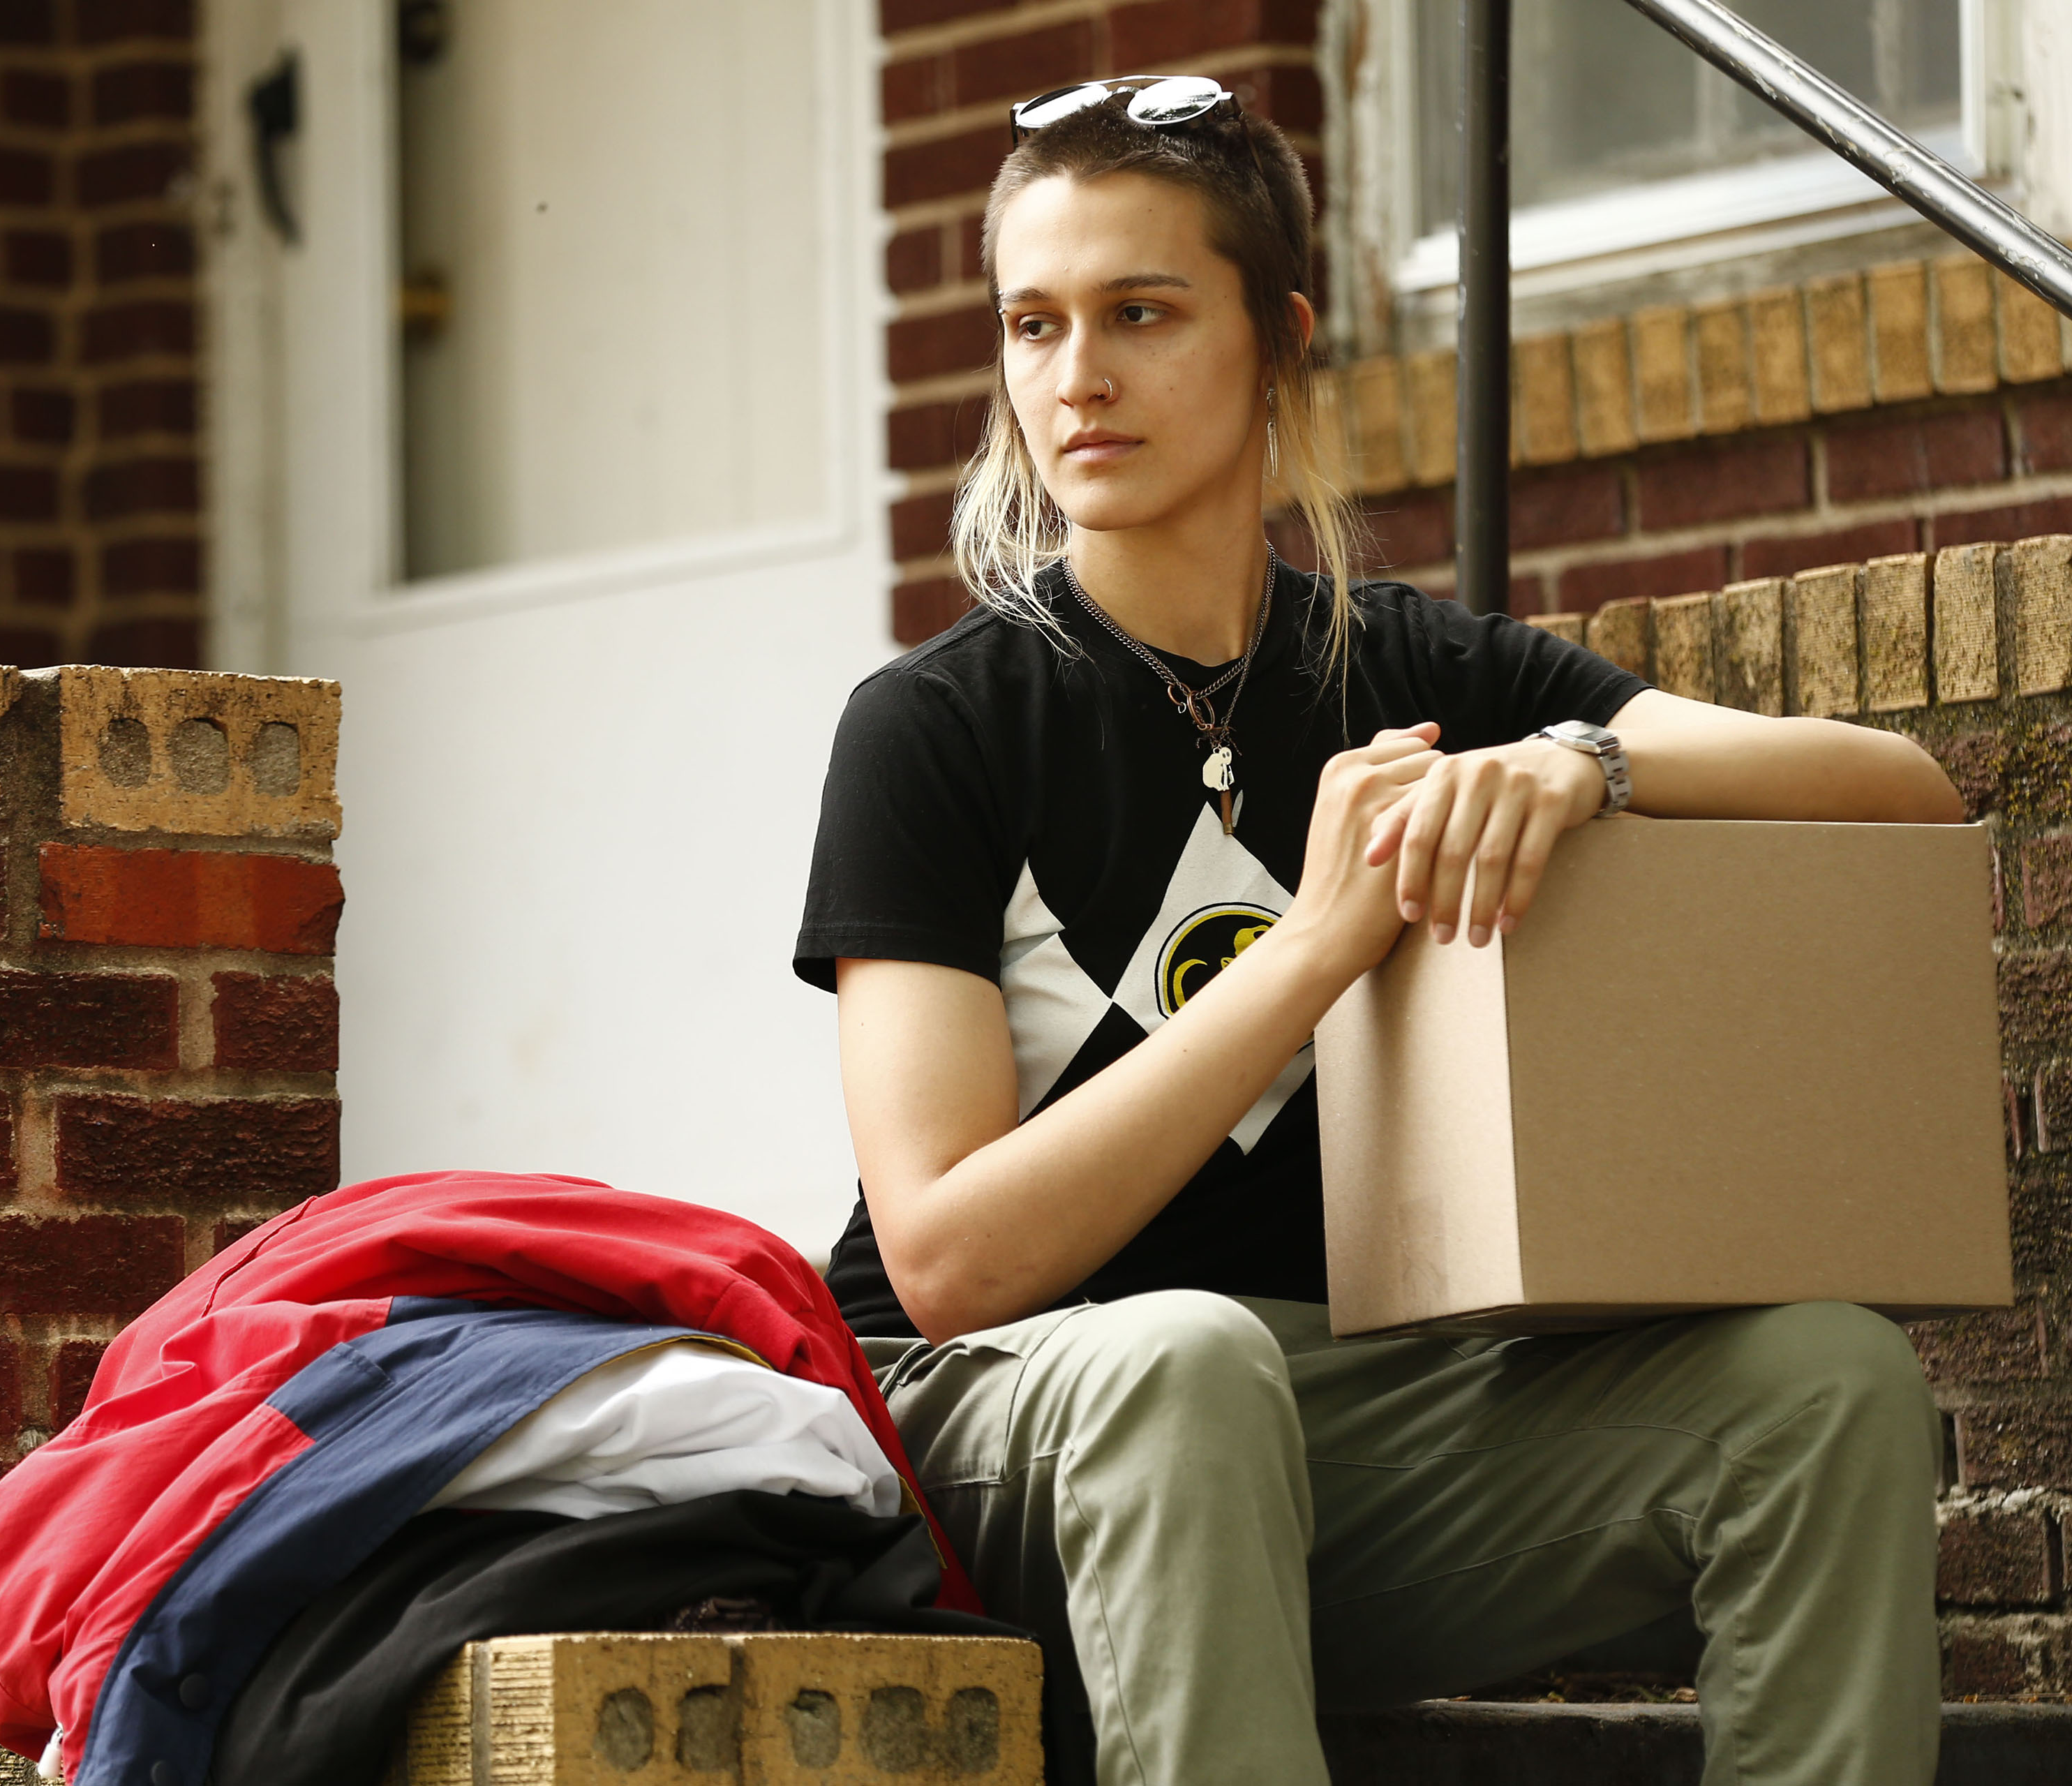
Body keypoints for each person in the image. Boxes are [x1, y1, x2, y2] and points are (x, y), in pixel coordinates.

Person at [793, 76, 1967, 1786]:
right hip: (997, 1427)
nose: (1076, 377)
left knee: (1825, 1382)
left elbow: (1904, 796)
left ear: (1279, 341)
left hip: (1333, 1426)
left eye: (1139, 312)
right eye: (1032, 324)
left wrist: (1590, 762)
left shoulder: (1419, 673)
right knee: (1183, 1358)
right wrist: (1314, 947)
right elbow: (951, 1259)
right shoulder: (938, 726)